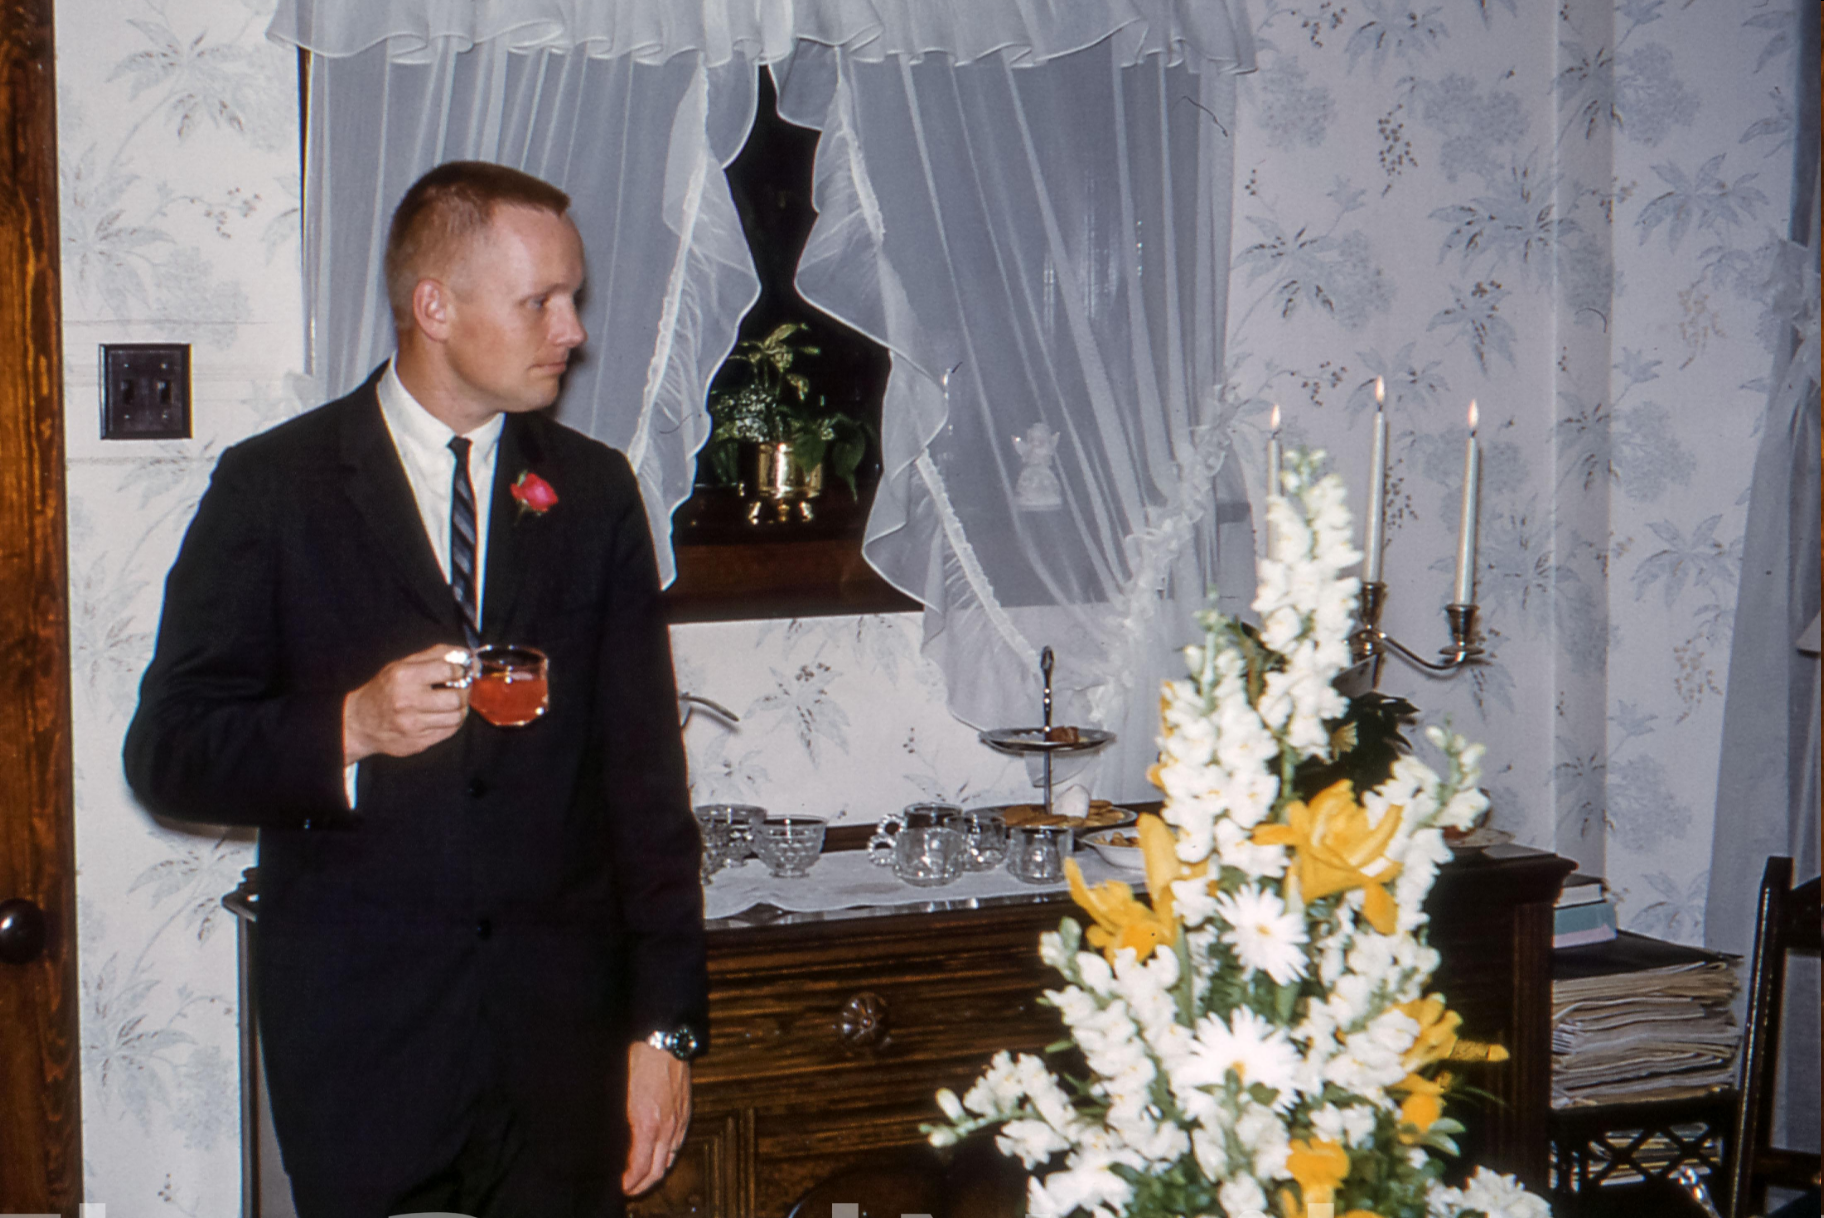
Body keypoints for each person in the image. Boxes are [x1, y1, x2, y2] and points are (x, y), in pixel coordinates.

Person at [124, 161, 707, 1218]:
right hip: (364, 1059)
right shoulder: (277, 487)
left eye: (570, 296)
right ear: (434, 307)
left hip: (562, 1064)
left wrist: (663, 1031)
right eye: (541, 301)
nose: (571, 330)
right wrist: (345, 728)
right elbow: (168, 751)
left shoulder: (592, 491)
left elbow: (646, 791)